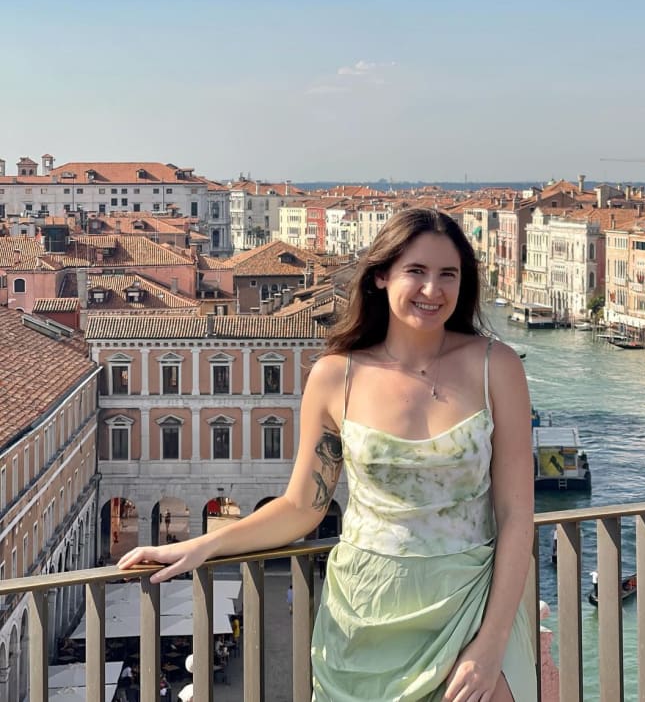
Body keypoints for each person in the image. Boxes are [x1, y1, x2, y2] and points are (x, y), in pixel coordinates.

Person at [118, 208, 536, 701]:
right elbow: (302, 506)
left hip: (471, 605)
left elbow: (516, 516)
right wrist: (202, 546)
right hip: (365, 611)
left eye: (449, 274)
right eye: (416, 271)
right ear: (381, 276)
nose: (433, 289)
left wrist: (491, 644)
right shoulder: (336, 376)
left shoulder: (496, 367)